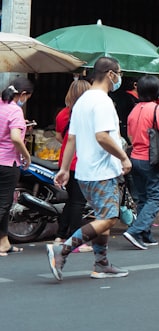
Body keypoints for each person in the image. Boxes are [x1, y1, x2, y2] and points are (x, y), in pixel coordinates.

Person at [46, 58, 131, 280]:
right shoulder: (102, 101)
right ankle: (62, 249)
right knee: (110, 217)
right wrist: (123, 157)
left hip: (84, 171)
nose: (119, 78)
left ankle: (101, 263)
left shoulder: (82, 101)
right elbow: (102, 136)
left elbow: (71, 138)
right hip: (101, 171)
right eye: (119, 73)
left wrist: (64, 168)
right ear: (111, 74)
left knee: (103, 217)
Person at [122, 75, 159, 249]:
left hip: (135, 157)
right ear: (157, 92)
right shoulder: (157, 109)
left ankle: (145, 234)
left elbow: (129, 135)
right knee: (157, 197)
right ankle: (135, 230)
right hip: (151, 160)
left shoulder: (134, 109)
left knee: (143, 197)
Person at [54, 78, 92, 245]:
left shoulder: (63, 114)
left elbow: (59, 137)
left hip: (65, 161)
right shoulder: (88, 114)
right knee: (78, 202)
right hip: (81, 161)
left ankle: (60, 235)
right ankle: (76, 241)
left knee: (71, 200)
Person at [0, 78, 33, 256]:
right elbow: (14, 137)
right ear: (22, 95)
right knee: (3, 205)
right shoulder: (15, 110)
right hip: (7, 162)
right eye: (27, 97)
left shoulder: (1, 105)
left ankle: (4, 242)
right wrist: (26, 156)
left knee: (4, 205)